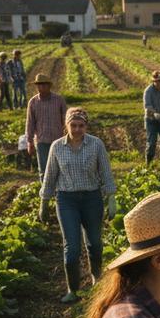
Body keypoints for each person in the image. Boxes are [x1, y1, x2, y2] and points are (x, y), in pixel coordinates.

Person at [41, 106, 117, 303]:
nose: (76, 129)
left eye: (80, 126)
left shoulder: (96, 144)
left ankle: (96, 278)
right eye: (73, 125)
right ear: (66, 126)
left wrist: (111, 198)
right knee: (72, 247)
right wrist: (44, 202)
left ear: (86, 126)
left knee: (95, 244)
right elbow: (50, 177)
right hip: (66, 200)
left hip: (92, 198)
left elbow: (106, 172)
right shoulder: (57, 147)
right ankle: (72, 289)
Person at [26, 73, 67, 181]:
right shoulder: (33, 102)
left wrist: (68, 135)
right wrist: (29, 141)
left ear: (49, 86)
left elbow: (66, 119)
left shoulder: (59, 100)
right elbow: (30, 122)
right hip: (41, 140)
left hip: (58, 139)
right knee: (44, 169)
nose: (41, 87)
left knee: (60, 167)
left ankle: (59, 192)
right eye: (39, 85)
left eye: (44, 85)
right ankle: (45, 195)